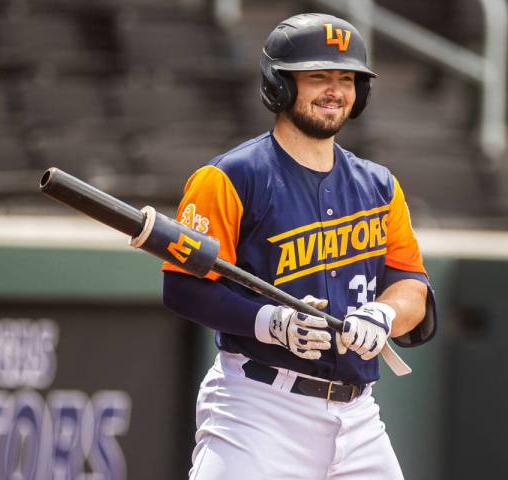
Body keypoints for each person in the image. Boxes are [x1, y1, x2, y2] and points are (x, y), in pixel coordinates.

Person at [162, 13, 437, 479]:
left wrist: (383, 314)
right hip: (258, 409)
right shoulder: (229, 177)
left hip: (359, 417)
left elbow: (412, 286)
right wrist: (271, 322)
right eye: (318, 77)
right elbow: (184, 288)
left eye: (346, 78)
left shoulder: (380, 186)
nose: (334, 90)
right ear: (281, 84)